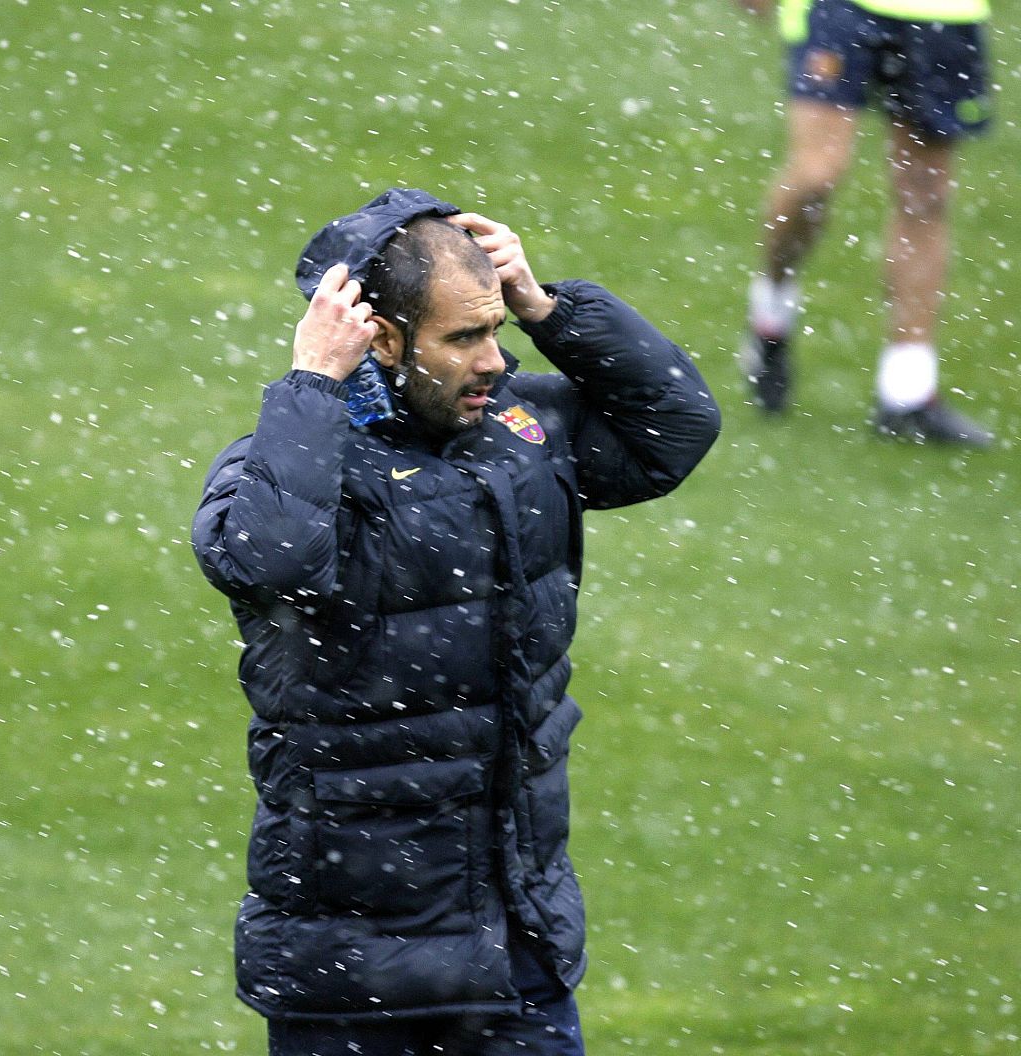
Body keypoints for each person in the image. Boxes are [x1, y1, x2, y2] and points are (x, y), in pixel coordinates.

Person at [190, 188, 721, 1055]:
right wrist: (312, 384)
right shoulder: (290, 462)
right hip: (350, 976)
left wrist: (549, 309)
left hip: (517, 952)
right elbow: (272, 563)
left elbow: (676, 427)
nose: (495, 362)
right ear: (381, 339)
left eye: (497, 329)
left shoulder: (522, 434)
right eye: (465, 337)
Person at [737, 0, 994, 445]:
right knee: (816, 176)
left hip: (945, 12)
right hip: (838, 8)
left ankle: (907, 393)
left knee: (925, 194)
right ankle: (771, 310)